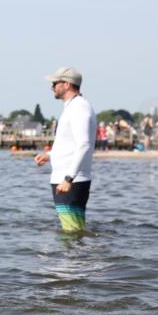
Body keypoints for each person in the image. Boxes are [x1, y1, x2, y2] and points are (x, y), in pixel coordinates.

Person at [33, 67, 96, 232]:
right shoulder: (72, 106)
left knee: (72, 231)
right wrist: (50, 155)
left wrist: (69, 179)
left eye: (55, 83)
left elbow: (83, 144)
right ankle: (73, 256)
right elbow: (70, 143)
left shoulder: (79, 107)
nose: (51, 87)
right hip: (65, 179)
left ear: (67, 84)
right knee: (72, 229)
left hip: (71, 180)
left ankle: (74, 258)